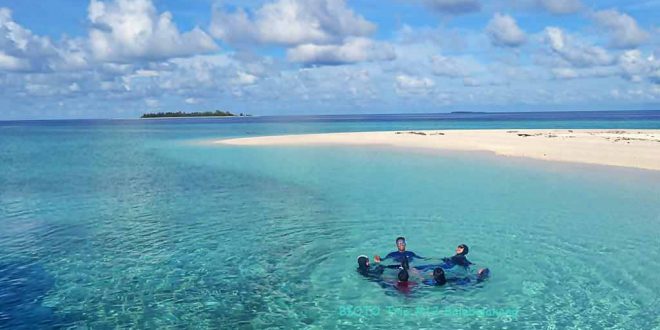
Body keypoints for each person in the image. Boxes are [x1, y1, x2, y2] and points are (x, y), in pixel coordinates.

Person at [423, 267, 490, 286]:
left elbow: (422, 280)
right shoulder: (450, 279)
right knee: (476, 279)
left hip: (459, 284)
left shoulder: (430, 282)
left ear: (434, 276)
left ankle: (480, 274)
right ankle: (480, 274)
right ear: (443, 274)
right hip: (461, 282)